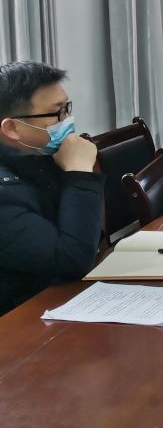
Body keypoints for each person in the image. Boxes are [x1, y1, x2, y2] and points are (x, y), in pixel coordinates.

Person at [0, 62, 103, 316]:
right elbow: (71, 260)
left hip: (58, 300)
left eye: (66, 108)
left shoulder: (41, 155)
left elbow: (89, 238)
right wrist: (79, 173)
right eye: (56, 113)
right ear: (11, 128)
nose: (67, 121)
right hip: (19, 320)